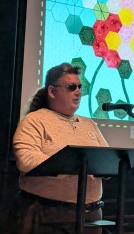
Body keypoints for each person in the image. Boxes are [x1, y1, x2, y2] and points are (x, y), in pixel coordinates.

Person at [12, 62, 109, 234]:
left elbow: (107, 159)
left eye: (79, 87)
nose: (78, 92)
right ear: (52, 91)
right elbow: (26, 160)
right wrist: (69, 165)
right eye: (71, 87)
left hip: (91, 217)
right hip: (50, 215)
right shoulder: (34, 120)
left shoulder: (90, 124)